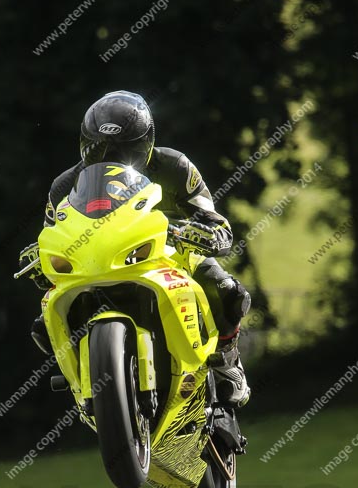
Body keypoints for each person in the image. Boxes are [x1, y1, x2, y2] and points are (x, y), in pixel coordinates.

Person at [19, 90, 251, 408]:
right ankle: (85, 381)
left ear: (147, 142)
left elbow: (215, 222)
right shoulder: (65, 185)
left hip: (167, 252)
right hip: (94, 262)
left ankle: (227, 360)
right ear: (85, 145)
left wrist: (206, 234)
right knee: (44, 322)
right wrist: (39, 260)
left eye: (125, 148)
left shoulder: (174, 165)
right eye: (100, 149)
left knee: (227, 290)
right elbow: (51, 234)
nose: (111, 156)